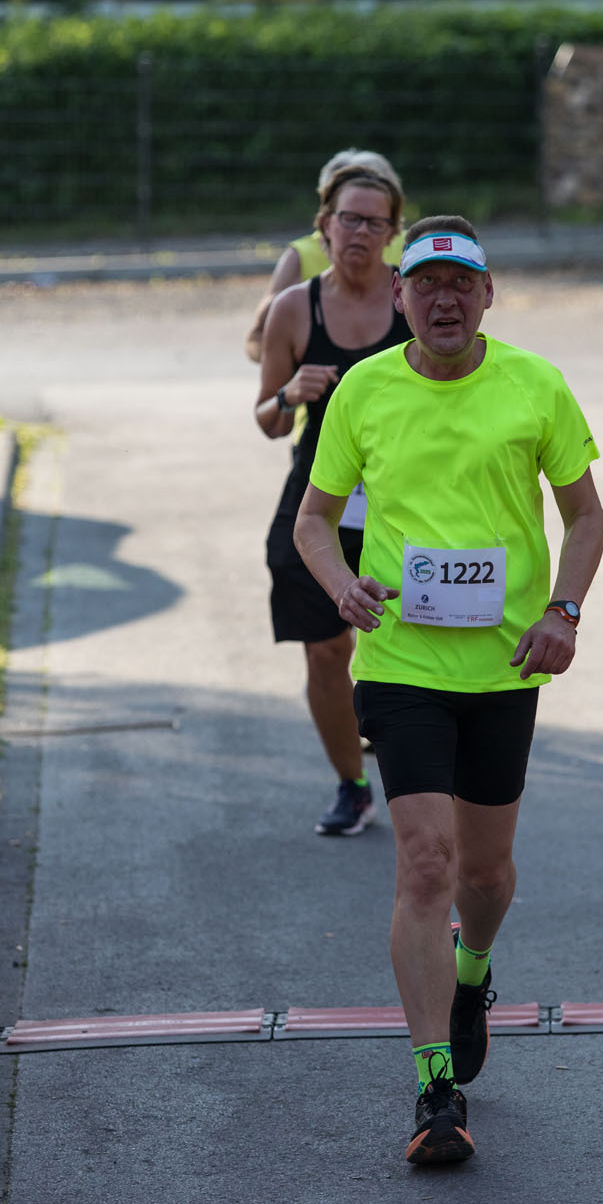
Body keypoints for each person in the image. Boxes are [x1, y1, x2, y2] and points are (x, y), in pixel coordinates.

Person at [294, 214, 603, 1166]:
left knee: (485, 874)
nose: (442, 300)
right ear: (400, 296)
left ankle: (472, 971)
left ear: (486, 294)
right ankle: (436, 1087)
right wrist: (340, 586)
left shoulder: (534, 384)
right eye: (425, 284)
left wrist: (563, 613)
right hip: (400, 666)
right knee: (425, 865)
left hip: (504, 668)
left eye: (460, 284)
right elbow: (314, 521)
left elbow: (587, 519)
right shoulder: (364, 389)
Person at [256, 158, 413, 835]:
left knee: (408, 648)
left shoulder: (412, 299)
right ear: (324, 225)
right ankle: (353, 785)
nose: (360, 233)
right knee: (325, 652)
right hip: (319, 503)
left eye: (375, 223)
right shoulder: (294, 309)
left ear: (393, 232)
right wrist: (289, 394)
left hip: (404, 502)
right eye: (349, 219)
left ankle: (421, 779)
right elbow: (267, 420)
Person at [244, 149, 405, 364]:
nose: (362, 230)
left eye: (374, 220)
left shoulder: (410, 248)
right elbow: (258, 340)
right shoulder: (301, 255)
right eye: (351, 215)